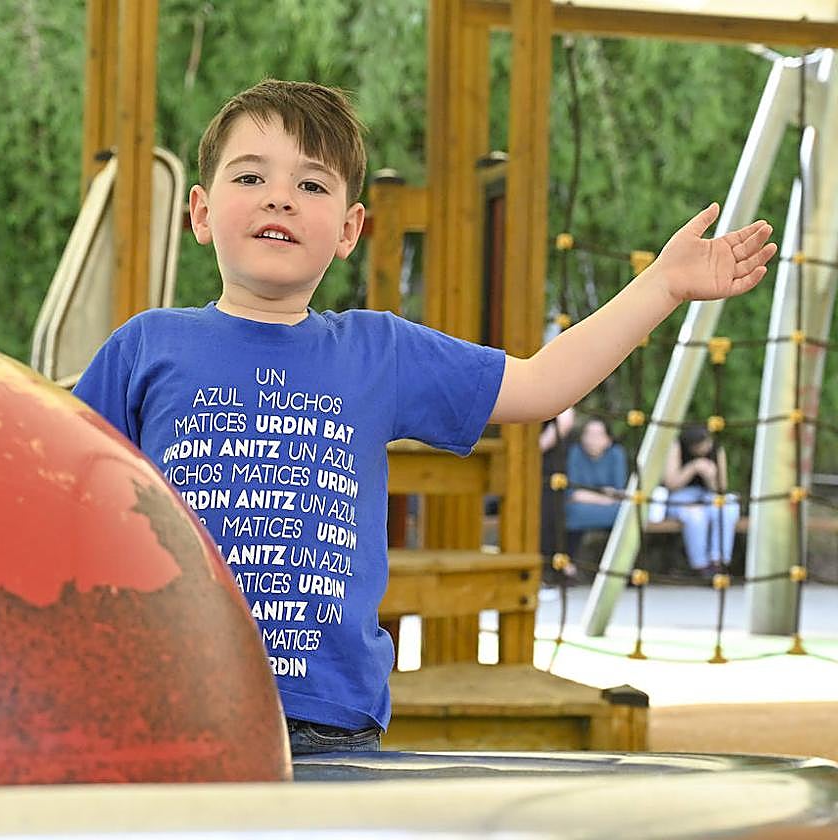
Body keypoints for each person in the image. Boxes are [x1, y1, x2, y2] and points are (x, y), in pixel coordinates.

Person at [72, 79, 776, 755]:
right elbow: (65, 487)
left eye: (311, 184)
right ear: (200, 212)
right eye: (250, 178)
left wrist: (662, 285)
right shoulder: (146, 345)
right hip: (170, 704)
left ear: (350, 230)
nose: (280, 198)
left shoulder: (378, 349)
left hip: (329, 723)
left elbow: (538, 384)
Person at [657, 424, 741, 575]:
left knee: (728, 507)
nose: (707, 447)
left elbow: (721, 488)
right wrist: (693, 468)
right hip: (681, 496)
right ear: (693, 446)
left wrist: (710, 478)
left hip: (708, 495)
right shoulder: (677, 446)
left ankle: (718, 561)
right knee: (695, 515)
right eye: (702, 445)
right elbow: (670, 484)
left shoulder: (716, 449)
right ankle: (701, 566)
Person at [563, 416, 628, 561]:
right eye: (588, 434)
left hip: (607, 507)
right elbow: (574, 493)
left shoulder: (616, 453)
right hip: (582, 507)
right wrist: (604, 496)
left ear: (608, 439)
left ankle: (621, 565)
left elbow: (618, 492)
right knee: (573, 512)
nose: (592, 439)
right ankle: (568, 567)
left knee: (625, 515)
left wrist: (593, 496)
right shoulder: (575, 453)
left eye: (598, 435)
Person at [539, 407, 576, 584]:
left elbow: (565, 419)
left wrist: (535, 448)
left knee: (549, 518)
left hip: (550, 468)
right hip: (540, 468)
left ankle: (551, 572)